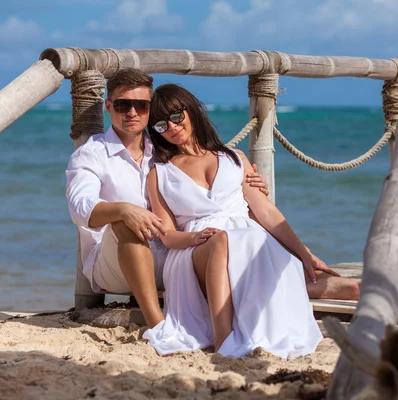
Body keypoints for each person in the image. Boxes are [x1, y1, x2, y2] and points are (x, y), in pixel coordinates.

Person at [142, 84, 360, 359]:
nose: (172, 127)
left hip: (246, 237)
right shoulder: (159, 174)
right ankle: (224, 340)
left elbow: (264, 211)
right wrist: (194, 238)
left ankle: (312, 282)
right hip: (196, 249)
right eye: (161, 125)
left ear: (191, 111)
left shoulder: (234, 158)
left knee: (256, 242)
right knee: (222, 239)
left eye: (176, 116)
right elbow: (167, 235)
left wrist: (305, 253)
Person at [65, 68, 269, 329]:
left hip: (174, 256)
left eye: (141, 105)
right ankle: (157, 325)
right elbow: (79, 207)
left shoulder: (165, 151)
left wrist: (248, 184)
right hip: (115, 265)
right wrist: (125, 210)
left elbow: (207, 195)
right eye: (122, 105)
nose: (131, 112)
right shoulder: (91, 154)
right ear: (108, 106)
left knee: (243, 254)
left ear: (150, 110)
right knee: (124, 222)